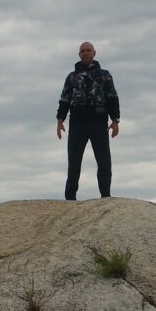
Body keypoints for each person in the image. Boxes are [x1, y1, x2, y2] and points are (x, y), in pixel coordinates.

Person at [56, 42, 120, 200]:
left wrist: (115, 120)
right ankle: (70, 198)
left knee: (104, 161)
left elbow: (112, 97)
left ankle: (106, 196)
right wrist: (60, 120)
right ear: (79, 54)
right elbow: (65, 99)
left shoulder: (104, 75)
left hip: (99, 123)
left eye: (88, 50)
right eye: (82, 51)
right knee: (74, 162)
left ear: (94, 53)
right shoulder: (72, 77)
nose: (85, 53)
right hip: (77, 123)